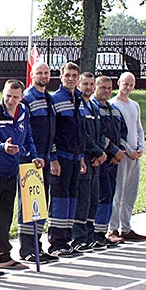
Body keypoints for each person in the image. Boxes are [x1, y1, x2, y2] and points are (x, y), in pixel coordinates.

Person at [0, 79, 44, 270]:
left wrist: (34, 156)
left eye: (15, 97)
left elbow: (28, 137)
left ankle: (5, 256)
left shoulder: (23, 112)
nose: (10, 101)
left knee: (5, 216)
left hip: (13, 171)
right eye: (8, 96)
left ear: (22, 97)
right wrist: (2, 147)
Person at [20, 62, 59, 263]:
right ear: (32, 74)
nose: (43, 76)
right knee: (29, 205)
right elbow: (25, 132)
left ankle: (37, 245)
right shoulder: (27, 98)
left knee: (40, 204)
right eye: (39, 73)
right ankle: (27, 248)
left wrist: (52, 156)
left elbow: (51, 132)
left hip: (45, 159)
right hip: (30, 160)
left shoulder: (49, 99)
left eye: (46, 73)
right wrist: (32, 155)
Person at [48, 62, 88, 258]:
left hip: (76, 159)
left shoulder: (80, 100)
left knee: (72, 200)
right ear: (61, 77)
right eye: (68, 75)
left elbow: (81, 132)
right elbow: (51, 132)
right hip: (61, 158)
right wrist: (53, 158)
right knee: (60, 200)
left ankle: (67, 239)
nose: (71, 79)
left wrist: (82, 157)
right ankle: (56, 242)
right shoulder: (55, 99)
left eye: (74, 75)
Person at [70, 72, 107, 253]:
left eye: (92, 84)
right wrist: (96, 151)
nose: (89, 88)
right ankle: (78, 238)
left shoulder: (93, 106)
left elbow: (99, 132)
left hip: (95, 160)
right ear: (78, 84)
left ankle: (89, 235)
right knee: (82, 199)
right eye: (85, 84)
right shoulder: (77, 105)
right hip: (83, 157)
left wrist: (101, 153)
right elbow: (81, 134)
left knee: (93, 198)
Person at [109, 72, 146, 242]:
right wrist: (128, 150)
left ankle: (126, 227)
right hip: (122, 155)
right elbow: (117, 134)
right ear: (119, 83)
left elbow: (139, 128)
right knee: (118, 193)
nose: (128, 88)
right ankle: (112, 228)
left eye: (131, 85)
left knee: (130, 193)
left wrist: (140, 148)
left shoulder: (135, 105)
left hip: (135, 157)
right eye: (125, 84)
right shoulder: (113, 105)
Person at [92, 76, 127, 247]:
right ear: (95, 88)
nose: (106, 91)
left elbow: (123, 133)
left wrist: (120, 152)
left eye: (109, 88)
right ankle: (95, 233)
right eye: (103, 88)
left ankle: (103, 231)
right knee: (100, 196)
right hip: (100, 159)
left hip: (113, 161)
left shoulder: (115, 110)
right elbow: (97, 134)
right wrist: (112, 150)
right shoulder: (93, 108)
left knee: (109, 195)